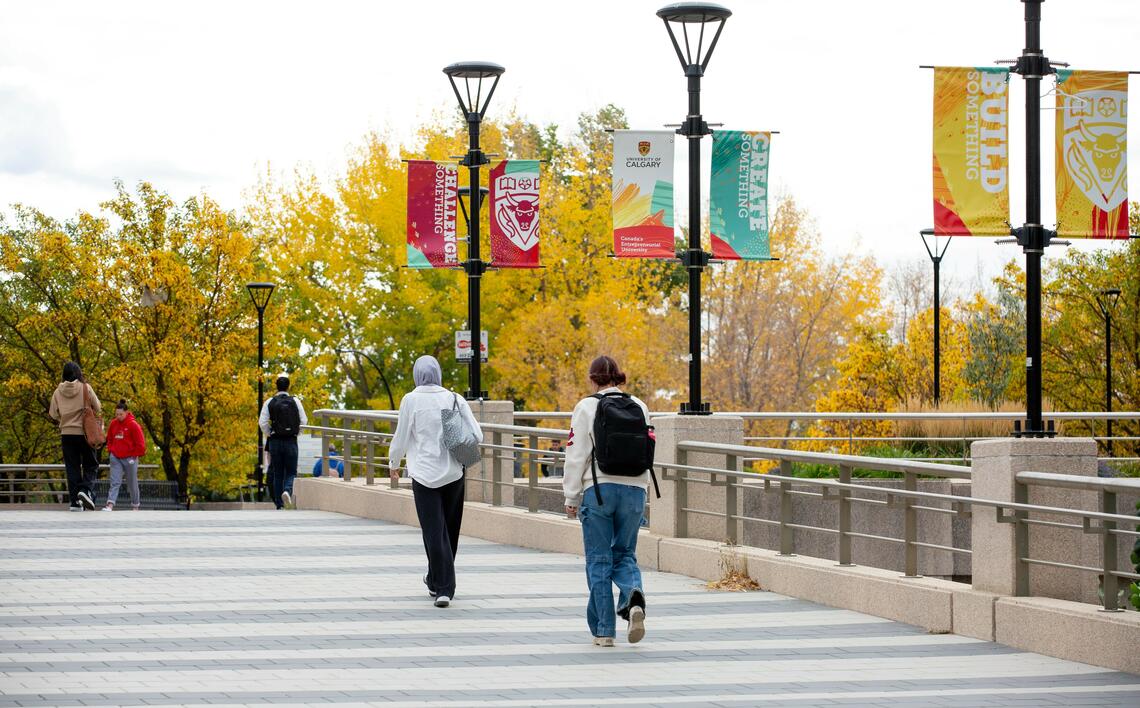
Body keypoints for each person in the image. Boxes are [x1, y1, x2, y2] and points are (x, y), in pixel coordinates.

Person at [563, 355, 650, 648]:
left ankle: (603, 631)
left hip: (599, 490)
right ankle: (632, 593)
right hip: (636, 489)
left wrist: (571, 496)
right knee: (625, 553)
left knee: (599, 560)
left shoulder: (587, 406)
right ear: (619, 378)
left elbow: (576, 455)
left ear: (593, 378)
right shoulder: (639, 406)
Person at [387, 355, 482, 609]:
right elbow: (477, 434)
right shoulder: (454, 398)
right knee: (449, 531)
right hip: (454, 472)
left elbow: (402, 435)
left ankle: (443, 588)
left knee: (433, 531)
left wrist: (394, 463)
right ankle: (435, 579)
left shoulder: (410, 400)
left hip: (423, 474)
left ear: (417, 375)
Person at [48, 361, 101, 511]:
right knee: (91, 464)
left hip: (67, 434)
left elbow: (53, 413)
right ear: (78, 373)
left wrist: (64, 419)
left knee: (72, 468)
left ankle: (75, 503)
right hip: (84, 434)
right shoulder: (86, 388)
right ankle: (85, 491)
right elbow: (98, 407)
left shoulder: (58, 391)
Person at [258, 375, 307, 509]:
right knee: (291, 471)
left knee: (278, 472)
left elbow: (262, 422)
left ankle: (279, 505)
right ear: (288, 387)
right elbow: (304, 421)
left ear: (276, 386)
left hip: (275, 441)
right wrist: (296, 433)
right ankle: (287, 490)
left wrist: (270, 433)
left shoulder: (270, 401)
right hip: (291, 440)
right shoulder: (296, 401)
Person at [103, 399, 146, 511]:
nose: (118, 416)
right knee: (115, 481)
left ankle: (135, 505)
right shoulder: (113, 423)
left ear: (126, 413)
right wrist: (111, 450)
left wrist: (134, 456)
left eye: (121, 414)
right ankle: (110, 504)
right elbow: (110, 439)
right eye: (116, 414)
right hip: (116, 457)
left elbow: (141, 444)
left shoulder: (133, 425)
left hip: (130, 458)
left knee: (132, 483)